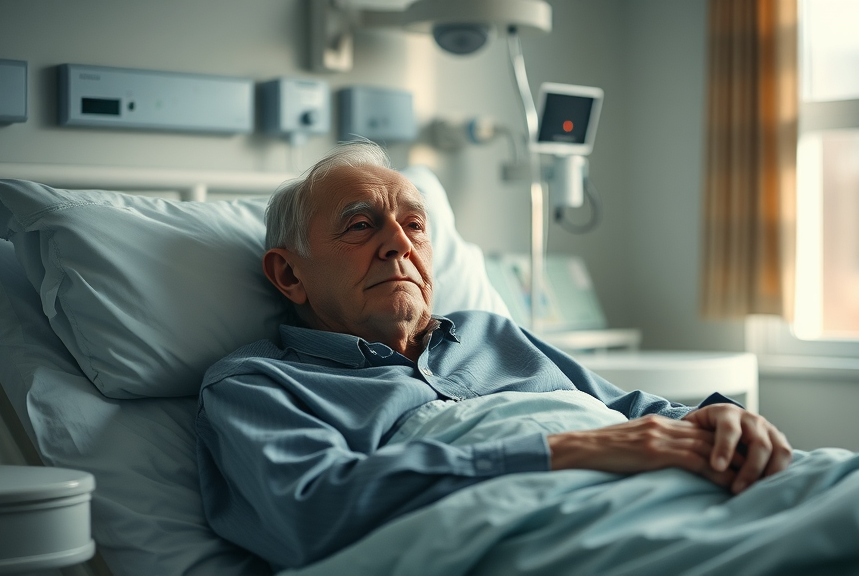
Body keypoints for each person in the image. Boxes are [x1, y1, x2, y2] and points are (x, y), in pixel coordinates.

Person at [195, 141, 793, 570]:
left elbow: (633, 410)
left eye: (414, 224)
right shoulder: (256, 385)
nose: (399, 244)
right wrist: (572, 450)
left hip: (703, 492)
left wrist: (717, 420)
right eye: (360, 225)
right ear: (289, 275)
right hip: (579, 534)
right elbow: (312, 512)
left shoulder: (492, 334)